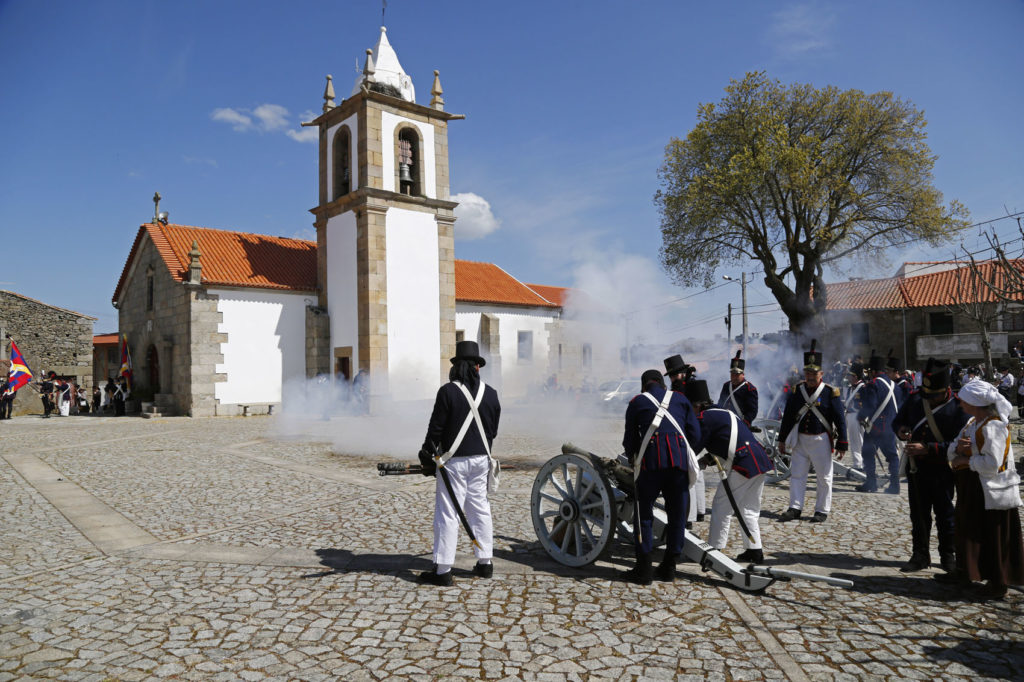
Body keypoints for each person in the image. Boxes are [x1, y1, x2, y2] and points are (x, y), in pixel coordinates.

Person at [417, 340, 500, 586]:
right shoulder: (492, 394)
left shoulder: (448, 391)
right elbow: (492, 431)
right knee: (480, 509)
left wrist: (426, 456)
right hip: (481, 460)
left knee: (448, 514)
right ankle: (485, 563)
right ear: (477, 367)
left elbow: (435, 430)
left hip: (453, 463)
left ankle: (442, 570)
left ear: (457, 367)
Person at [945, 381, 1024, 599]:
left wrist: (965, 457)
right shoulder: (972, 422)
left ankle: (998, 583)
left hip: (991, 492)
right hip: (973, 489)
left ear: (975, 403)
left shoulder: (994, 426)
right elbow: (954, 447)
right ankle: (967, 573)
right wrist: (959, 450)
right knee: (968, 531)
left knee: (993, 538)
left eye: (964, 401)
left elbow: (992, 464)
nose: (960, 405)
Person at [620, 368, 700, 584]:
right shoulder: (680, 399)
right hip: (679, 466)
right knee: (677, 516)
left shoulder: (638, 401)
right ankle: (669, 567)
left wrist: (634, 458)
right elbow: (694, 434)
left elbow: (629, 440)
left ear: (644, 385)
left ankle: (644, 570)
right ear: (663, 384)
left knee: (643, 514)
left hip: (651, 465)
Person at [893, 358, 969, 573]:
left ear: (945, 389)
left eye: (934, 395)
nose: (931, 399)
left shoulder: (958, 407)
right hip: (916, 469)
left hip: (942, 468)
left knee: (945, 514)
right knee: (918, 514)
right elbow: (898, 421)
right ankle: (920, 555)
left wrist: (928, 448)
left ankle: (948, 556)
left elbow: (959, 444)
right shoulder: (917, 399)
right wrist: (901, 430)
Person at [687, 379, 773, 563]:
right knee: (748, 510)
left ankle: (715, 550)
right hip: (758, 461)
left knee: (721, 506)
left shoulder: (704, 419)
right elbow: (724, 441)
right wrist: (707, 459)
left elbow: (693, 447)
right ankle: (754, 550)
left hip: (743, 464)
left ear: (697, 405)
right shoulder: (724, 413)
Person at [777, 339, 848, 523]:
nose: (809, 376)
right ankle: (795, 507)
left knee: (824, 477)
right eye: (807, 372)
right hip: (800, 439)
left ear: (821, 373)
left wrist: (843, 443)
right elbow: (788, 417)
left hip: (820, 439)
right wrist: (782, 439)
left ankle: (822, 510)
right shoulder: (797, 391)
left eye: (813, 373)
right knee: (797, 475)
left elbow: (840, 420)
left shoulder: (830, 392)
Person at [664, 355, 705, 524]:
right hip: (687, 431)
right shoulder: (679, 387)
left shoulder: (691, 386)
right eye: (671, 376)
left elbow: (699, 410)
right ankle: (700, 510)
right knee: (697, 472)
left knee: (691, 474)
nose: (673, 378)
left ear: (681, 373)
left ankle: (690, 516)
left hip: (693, 432)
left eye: (674, 375)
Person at [857, 350, 900, 494]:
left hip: (876, 427)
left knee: (867, 453)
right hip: (891, 426)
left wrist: (861, 416)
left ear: (873, 371)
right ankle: (895, 485)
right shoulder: (895, 385)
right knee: (892, 456)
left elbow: (870, 405)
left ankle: (871, 483)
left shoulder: (873, 384)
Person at [717, 350, 758, 426]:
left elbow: (752, 412)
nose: (734, 377)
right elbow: (721, 403)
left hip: (740, 423)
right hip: (725, 421)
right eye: (732, 374)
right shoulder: (726, 385)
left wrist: (743, 423)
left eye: (737, 374)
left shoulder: (750, 389)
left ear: (743, 374)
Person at [842, 362, 867, 476]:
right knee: (857, 440)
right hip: (852, 415)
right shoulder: (852, 387)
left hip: (857, 415)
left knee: (856, 440)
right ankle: (861, 463)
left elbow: (864, 403)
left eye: (850, 376)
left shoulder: (862, 387)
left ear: (855, 377)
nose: (848, 378)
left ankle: (858, 464)